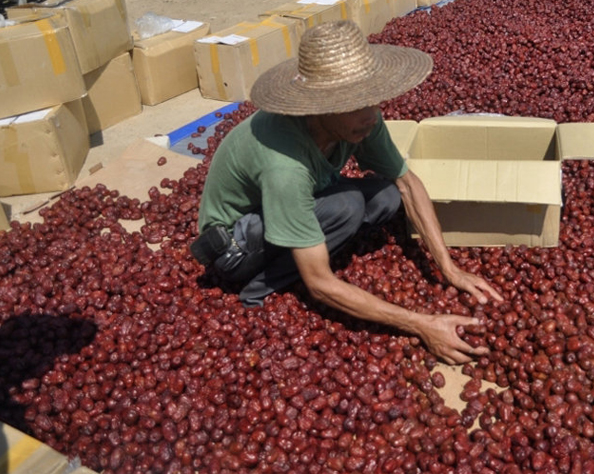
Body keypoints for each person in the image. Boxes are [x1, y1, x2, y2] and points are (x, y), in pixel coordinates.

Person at [194, 20, 503, 364]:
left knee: (387, 194)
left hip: (287, 207)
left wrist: (449, 269)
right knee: (349, 206)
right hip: (236, 247)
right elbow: (319, 283)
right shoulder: (285, 166)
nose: (372, 115)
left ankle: (312, 243)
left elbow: (407, 183)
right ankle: (258, 291)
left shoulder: (360, 119)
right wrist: (421, 324)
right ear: (320, 105)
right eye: (356, 104)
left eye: (372, 99)